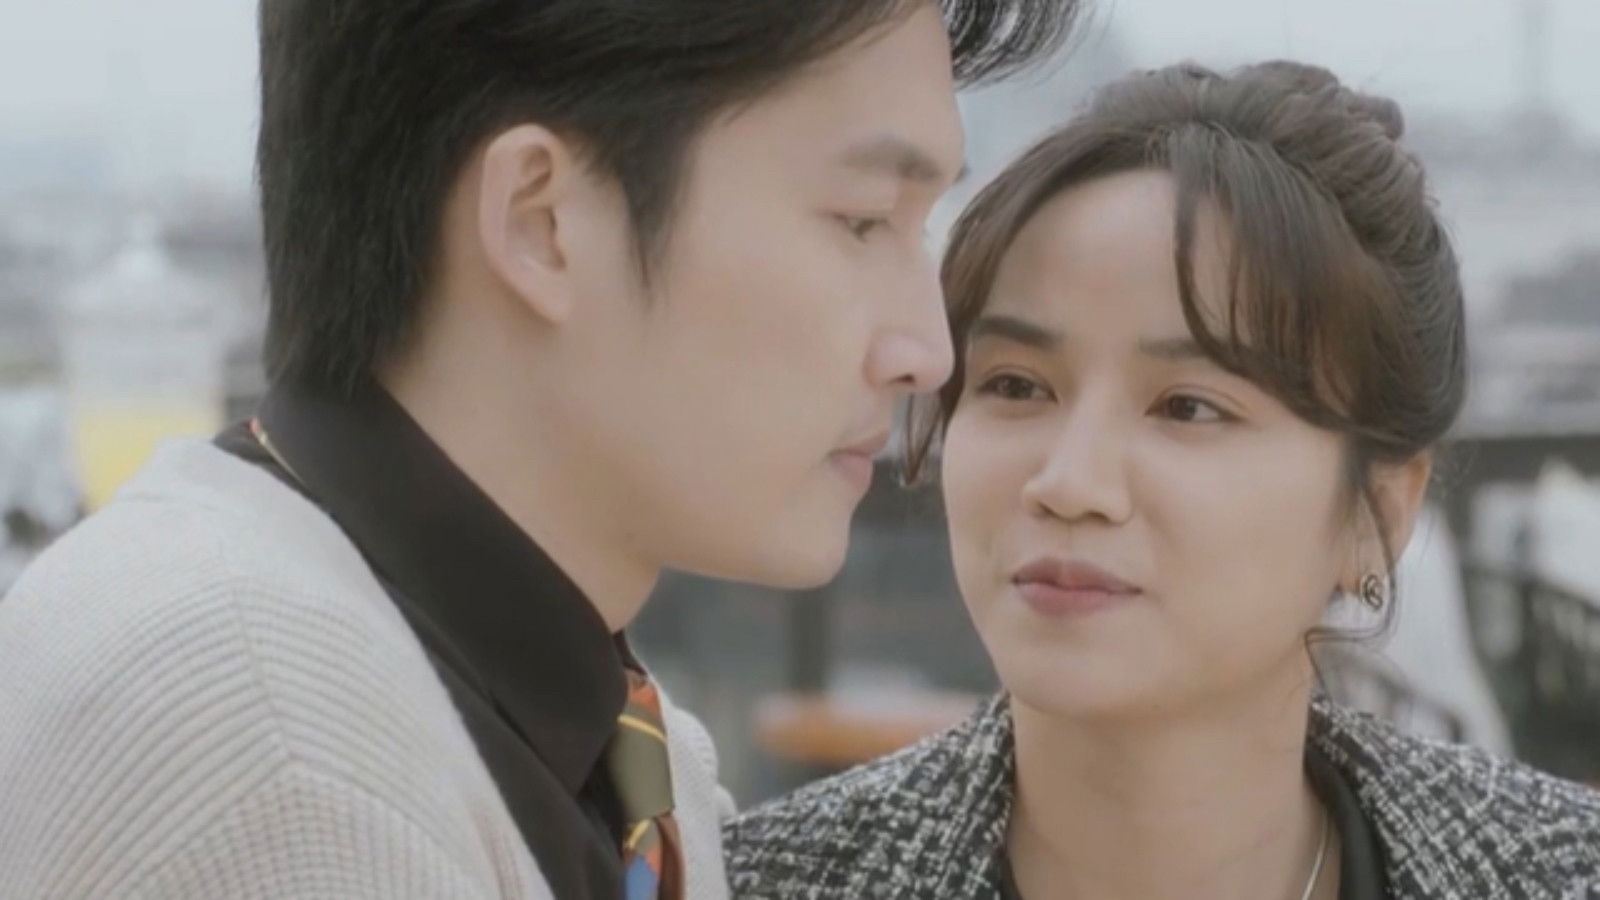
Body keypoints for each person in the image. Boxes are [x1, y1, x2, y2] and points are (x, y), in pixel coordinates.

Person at [0, 2, 1081, 898]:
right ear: (540, 222)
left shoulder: (595, 738)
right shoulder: (279, 753)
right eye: (862, 221)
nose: (926, 351)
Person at [724, 61, 1600, 898]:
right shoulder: (750, 883)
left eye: (1188, 406)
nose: (1070, 483)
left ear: (1377, 511)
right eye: (1016, 386)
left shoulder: (1561, 872)